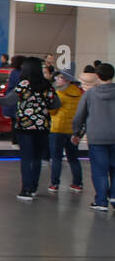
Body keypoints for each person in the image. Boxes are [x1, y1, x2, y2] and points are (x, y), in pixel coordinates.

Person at [11, 56, 59, 200]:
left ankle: (25, 190)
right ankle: (33, 188)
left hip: (25, 126)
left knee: (26, 158)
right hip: (42, 126)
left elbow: (9, 100)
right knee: (37, 157)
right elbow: (56, 104)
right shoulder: (47, 85)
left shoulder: (23, 85)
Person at [72, 63, 115, 212]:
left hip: (97, 137)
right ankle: (114, 197)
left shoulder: (90, 94)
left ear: (98, 76)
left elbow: (79, 116)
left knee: (99, 170)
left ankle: (101, 201)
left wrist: (77, 133)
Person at [48, 68, 84, 194]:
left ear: (67, 80)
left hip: (57, 129)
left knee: (56, 157)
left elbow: (52, 111)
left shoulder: (59, 94)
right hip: (72, 130)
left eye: (60, 78)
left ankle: (54, 183)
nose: (57, 80)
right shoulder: (79, 93)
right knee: (73, 158)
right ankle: (77, 183)